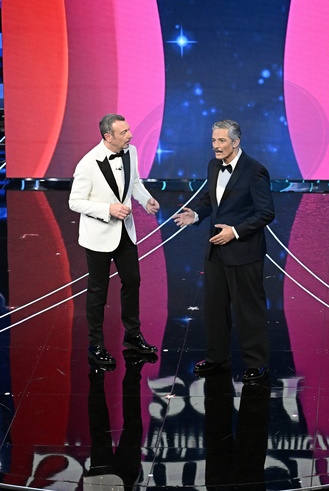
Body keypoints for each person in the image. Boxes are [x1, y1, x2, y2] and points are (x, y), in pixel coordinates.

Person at [174, 119, 275, 383]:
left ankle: (257, 363)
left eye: (221, 140)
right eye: (213, 140)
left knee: (248, 309)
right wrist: (196, 215)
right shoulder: (213, 165)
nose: (216, 146)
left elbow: (266, 212)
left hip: (244, 252)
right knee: (215, 308)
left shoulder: (255, 171)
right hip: (216, 250)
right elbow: (211, 199)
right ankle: (217, 358)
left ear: (236, 142)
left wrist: (235, 231)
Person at [69, 114, 160, 367]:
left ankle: (132, 335)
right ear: (108, 136)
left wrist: (146, 200)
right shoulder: (88, 163)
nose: (130, 135)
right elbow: (75, 202)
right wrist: (107, 209)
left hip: (125, 233)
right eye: (124, 132)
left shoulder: (131, 152)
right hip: (98, 236)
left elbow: (135, 182)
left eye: (128, 130)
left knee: (132, 281)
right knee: (98, 290)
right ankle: (96, 344)